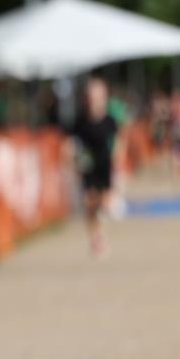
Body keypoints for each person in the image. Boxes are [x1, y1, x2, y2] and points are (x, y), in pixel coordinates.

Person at [69, 77, 119, 257]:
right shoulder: (80, 121)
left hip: (105, 165)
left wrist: (117, 159)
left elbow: (117, 142)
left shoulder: (109, 121)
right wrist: (74, 159)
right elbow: (73, 143)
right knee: (89, 203)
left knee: (103, 204)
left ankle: (102, 216)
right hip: (88, 166)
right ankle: (97, 238)